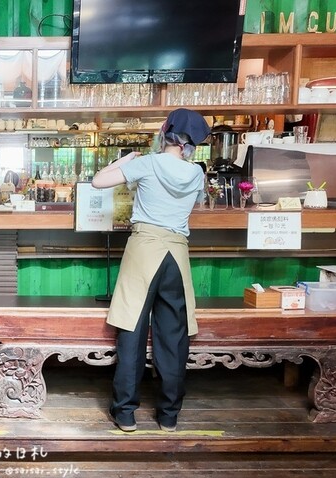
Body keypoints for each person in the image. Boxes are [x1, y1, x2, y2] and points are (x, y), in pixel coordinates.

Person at [91, 108, 209, 433]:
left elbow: (98, 181)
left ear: (163, 131)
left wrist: (126, 159)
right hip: (177, 255)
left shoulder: (147, 163)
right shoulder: (197, 172)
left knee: (131, 330)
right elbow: (193, 205)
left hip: (144, 250)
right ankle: (169, 416)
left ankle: (126, 413)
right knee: (173, 336)